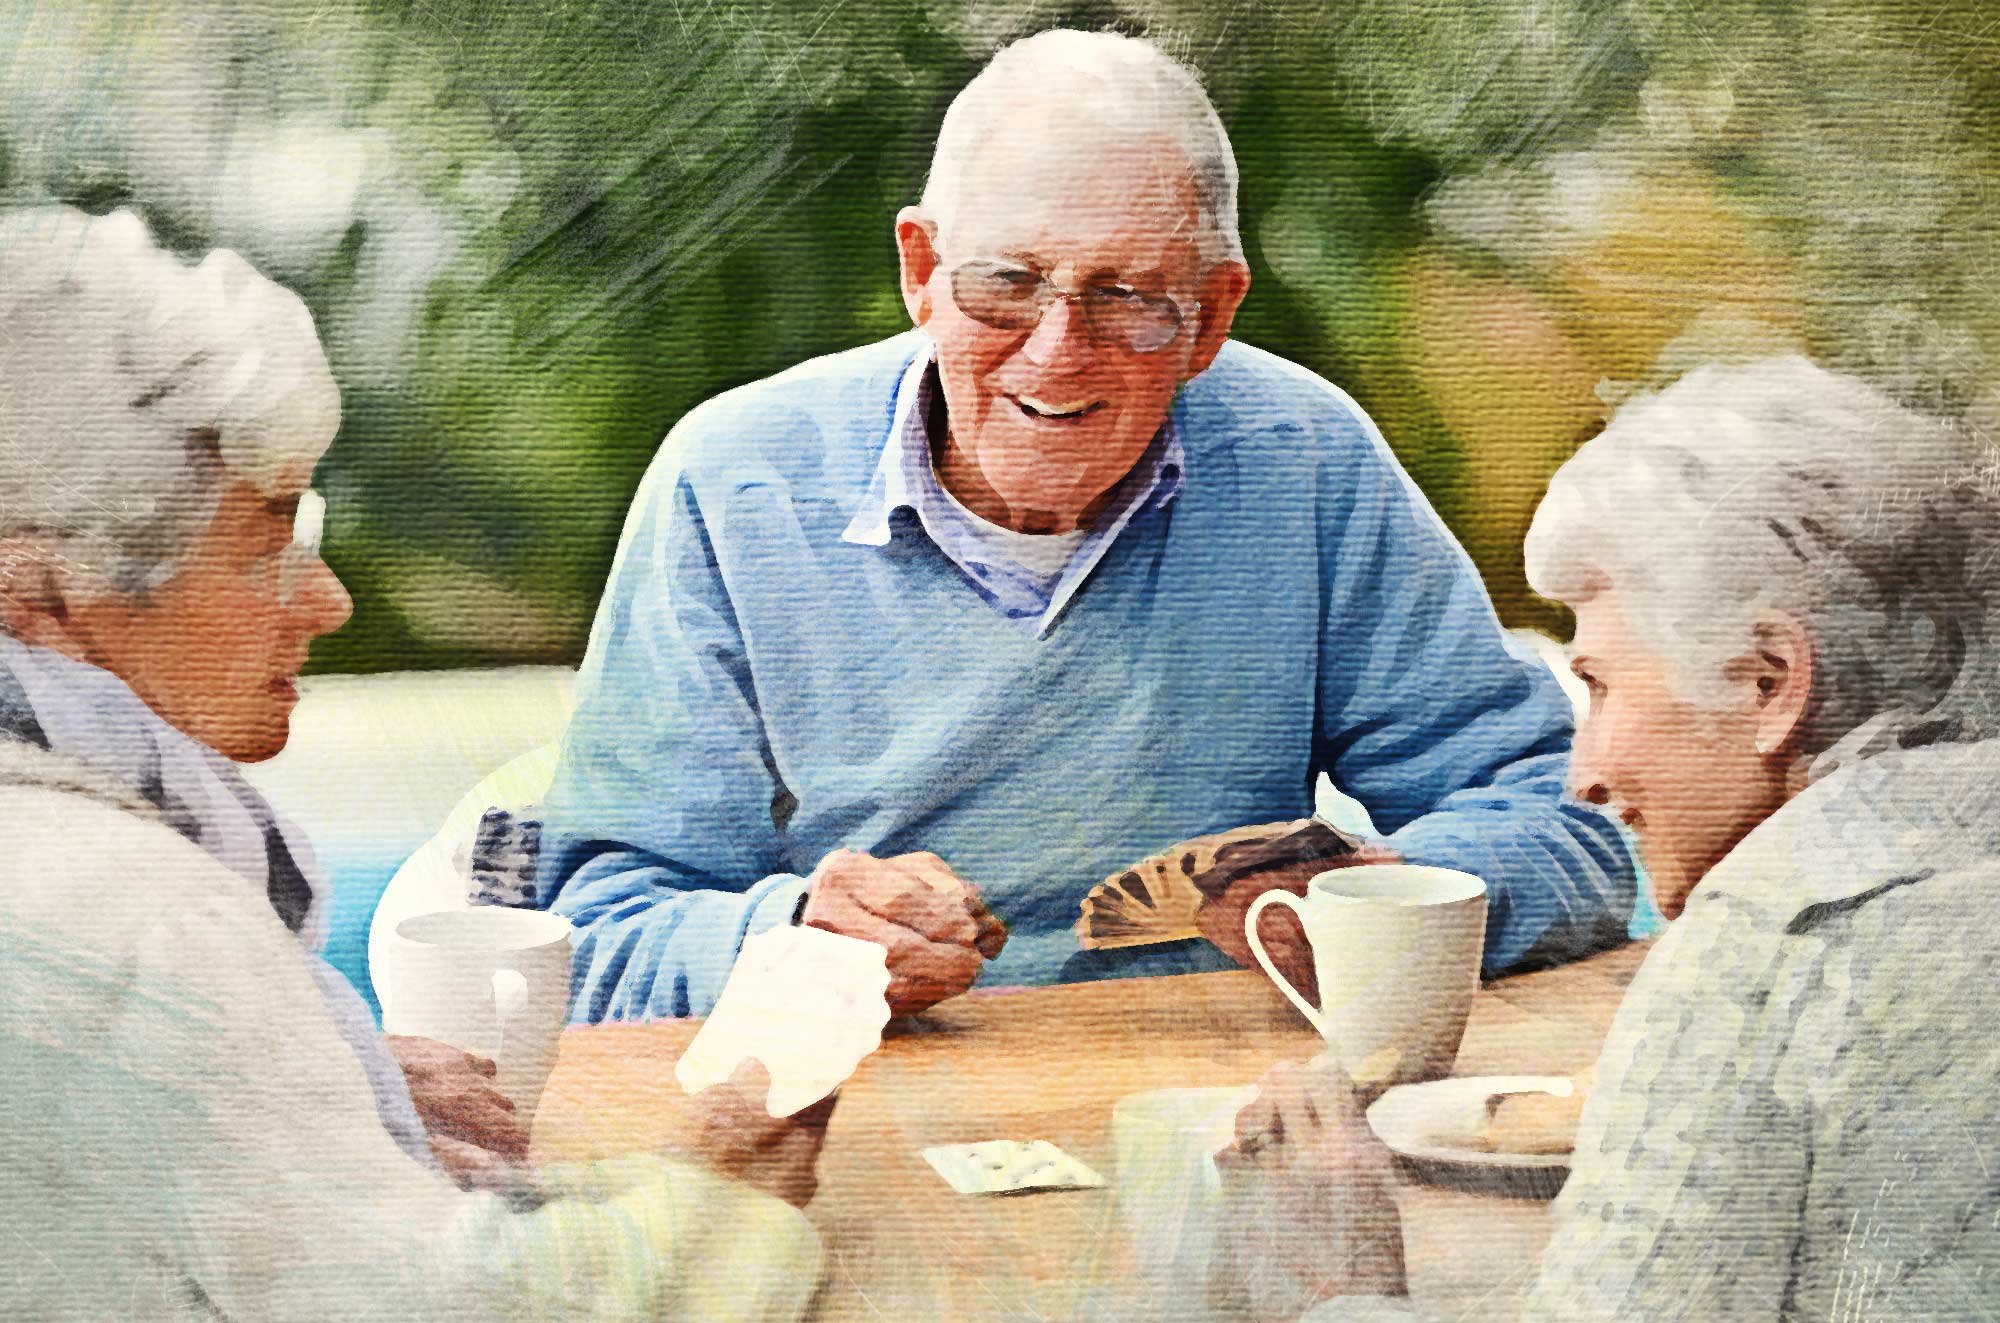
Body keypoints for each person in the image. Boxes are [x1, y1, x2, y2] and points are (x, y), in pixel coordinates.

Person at [538, 27, 1639, 1024]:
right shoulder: (736, 481)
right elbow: (593, 932)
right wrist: (784, 944)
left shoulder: (1301, 461)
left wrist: (1381, 900)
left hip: (1214, 1100)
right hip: (854, 1089)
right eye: (1004, 285)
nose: (1056, 351)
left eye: (1128, 297)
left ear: (1210, 314)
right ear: (921, 272)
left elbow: (1569, 819)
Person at [0, 205, 828, 1319]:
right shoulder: (143, 921)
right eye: (263, 548)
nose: (328, 600)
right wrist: (712, 1195)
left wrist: (314, 1082)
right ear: (45, 592)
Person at [1211, 357, 2000, 1321]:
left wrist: (1336, 1288)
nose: (1582, 771)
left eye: (1601, 686)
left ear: (1769, 681)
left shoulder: (1768, 950)